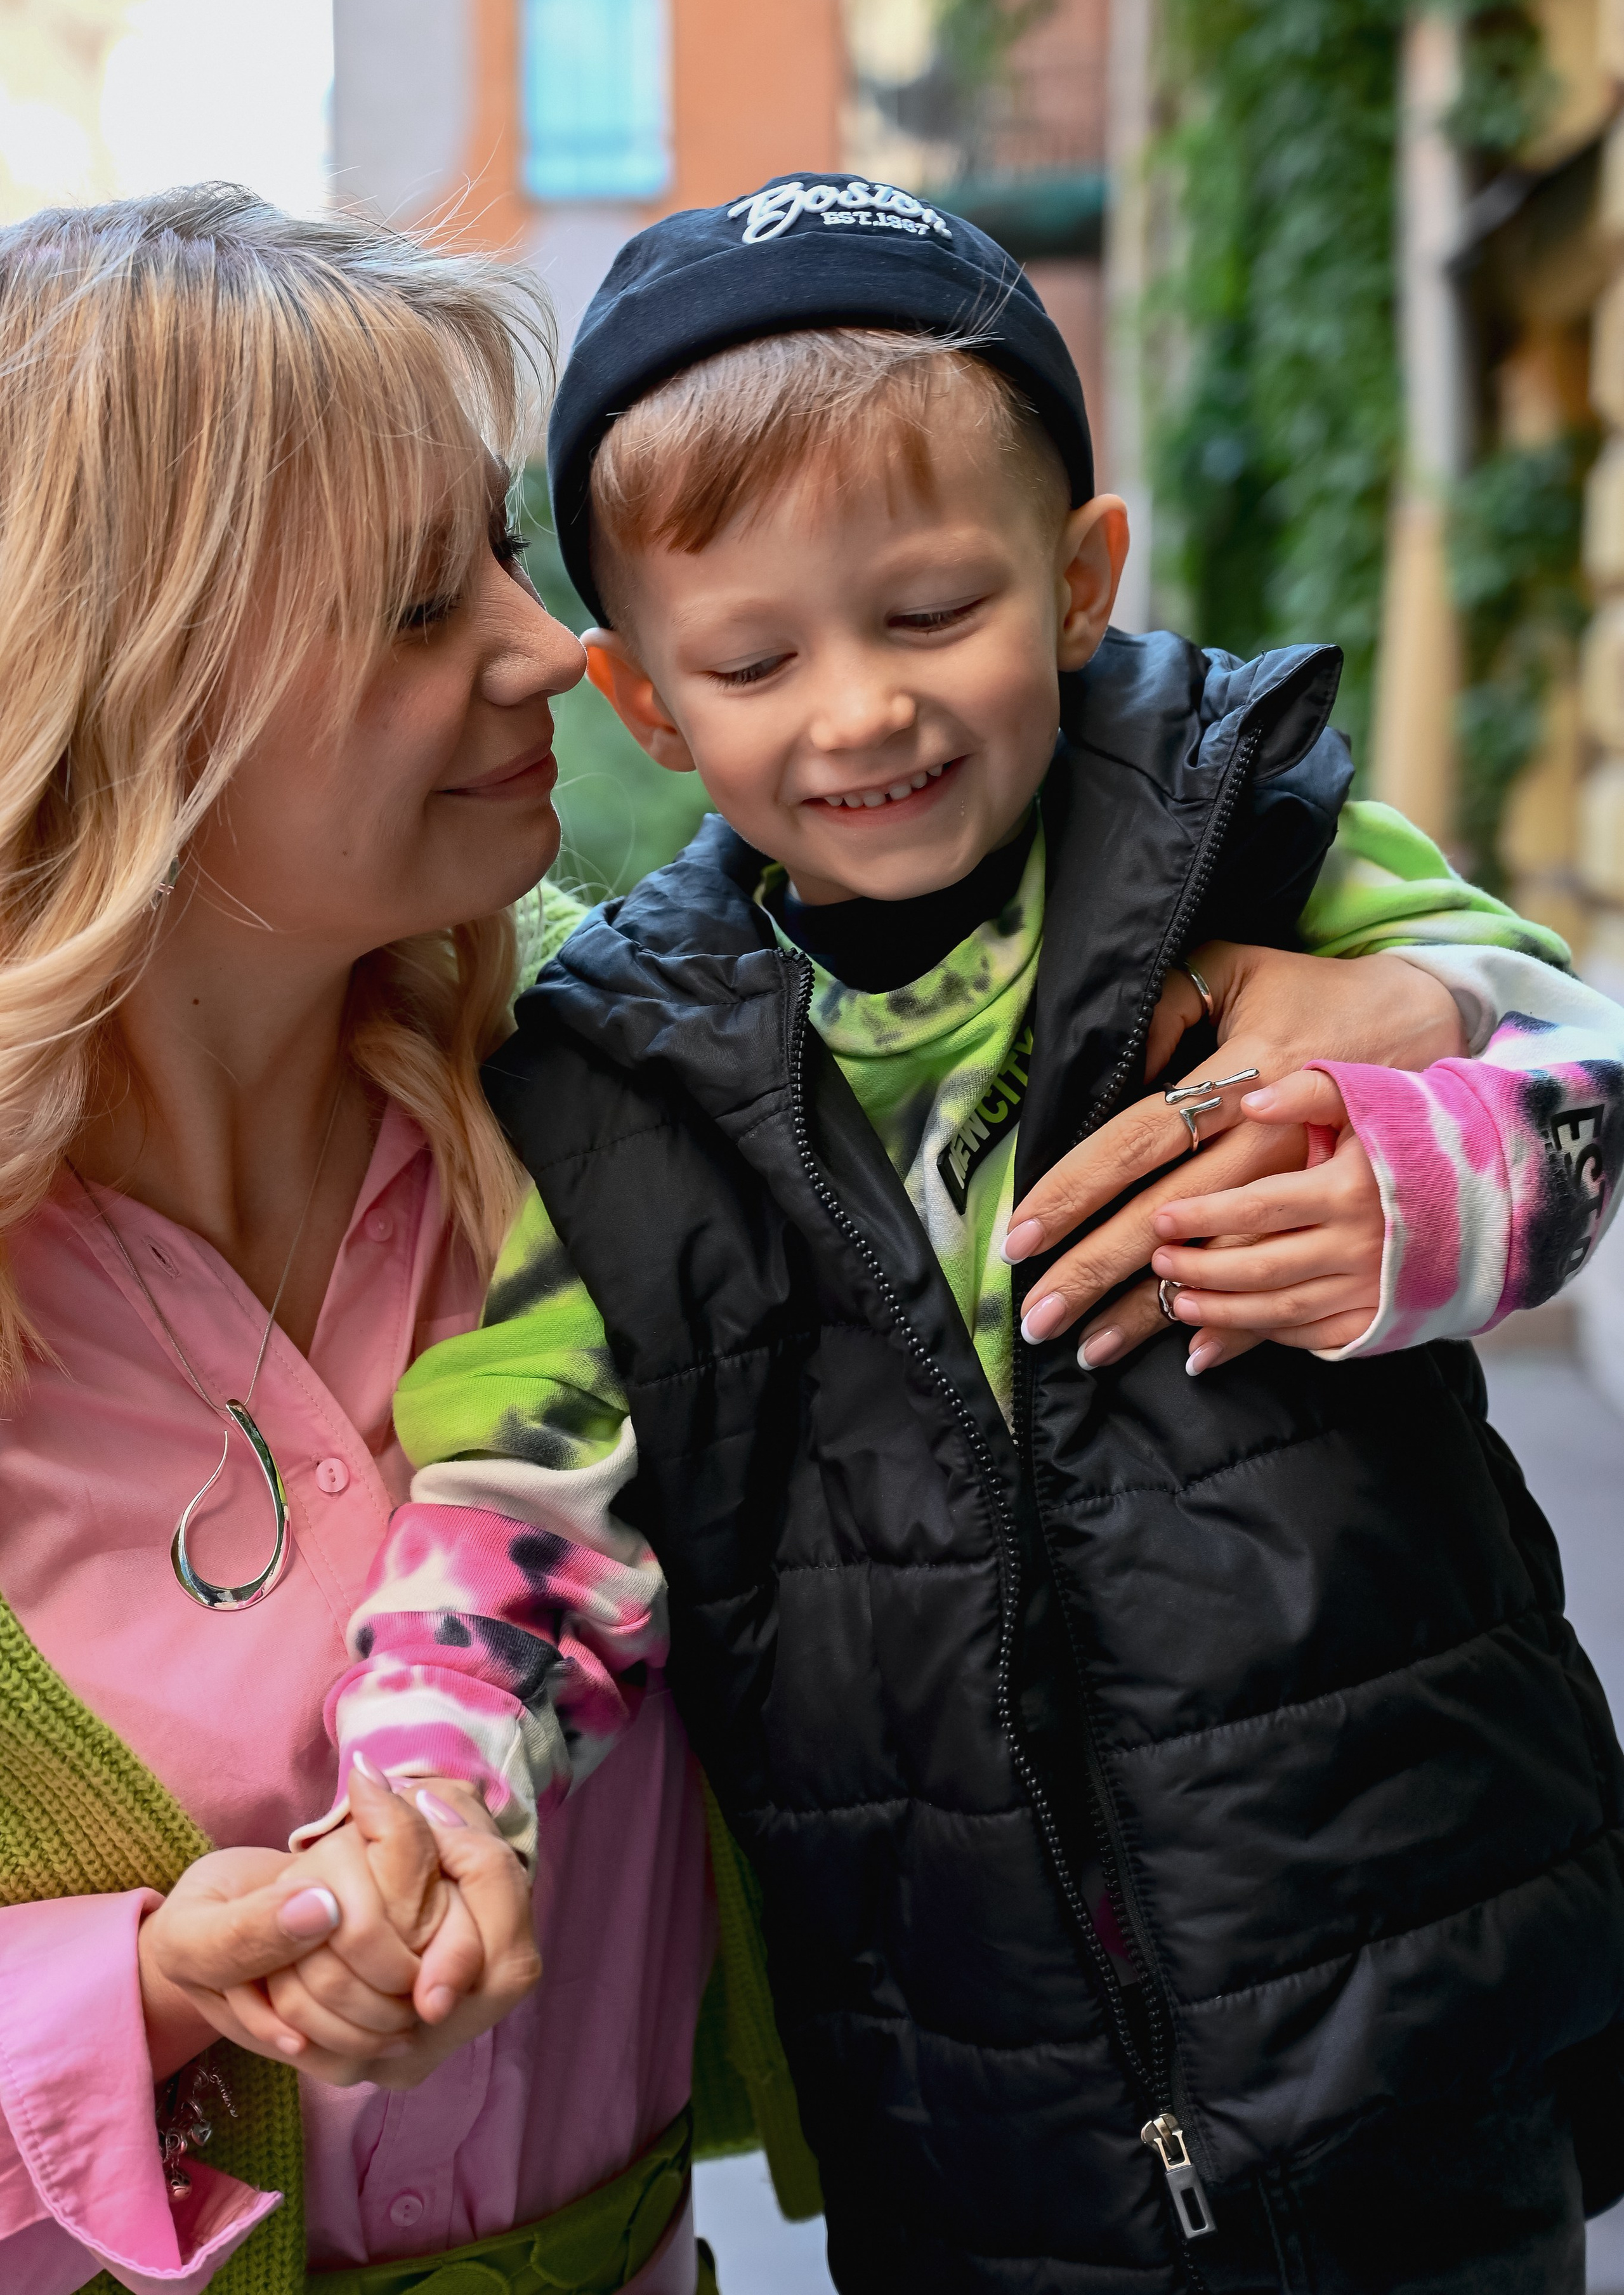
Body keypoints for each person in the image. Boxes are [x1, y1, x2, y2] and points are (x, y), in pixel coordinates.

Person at [327, 176, 1624, 2294]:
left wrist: (1413, 1181)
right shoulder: (612, 1086)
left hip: (1413, 1994)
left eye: (933, 612)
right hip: (966, 2084)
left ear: (1081, 574)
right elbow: (517, 1489)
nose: (859, 711)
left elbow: (1573, 1063)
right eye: (753, 658)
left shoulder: (1248, 829)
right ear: (644, 703)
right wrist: (427, 1770)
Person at [0, 187, 714, 2295]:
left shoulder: (636, 1082)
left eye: (501, 552)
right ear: (134, 693)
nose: (545, 646)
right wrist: (129, 1985)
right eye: (422, 604)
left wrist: (1355, 1012)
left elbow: (1042, 929)